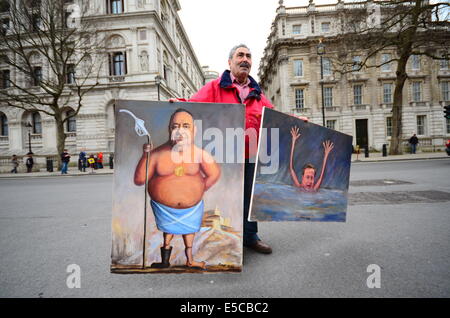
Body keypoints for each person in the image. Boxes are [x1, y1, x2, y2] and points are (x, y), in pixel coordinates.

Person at [173, 44, 296, 254]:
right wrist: (177, 104)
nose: (245, 59)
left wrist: (296, 122)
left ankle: (249, 237)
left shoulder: (257, 93)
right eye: (240, 55)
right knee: (224, 196)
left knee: (250, 197)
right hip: (224, 155)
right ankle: (224, 240)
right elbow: (194, 105)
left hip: (250, 155)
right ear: (230, 62)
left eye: (248, 56)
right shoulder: (214, 87)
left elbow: (274, 118)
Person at [134, 109, 221, 269]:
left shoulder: (200, 154)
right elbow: (139, 180)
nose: (180, 130)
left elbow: (214, 174)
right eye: (175, 126)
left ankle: (190, 260)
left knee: (189, 233)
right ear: (170, 130)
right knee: (168, 233)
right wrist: (145, 155)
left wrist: (199, 190)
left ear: (194, 130)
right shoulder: (156, 154)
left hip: (191, 209)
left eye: (185, 126)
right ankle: (165, 261)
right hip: (164, 209)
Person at [289, 126, 334, 191]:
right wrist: (293, 141)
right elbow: (291, 169)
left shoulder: (314, 189)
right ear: (302, 178)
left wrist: (326, 154)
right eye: (307, 177)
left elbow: (321, 177)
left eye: (312, 178)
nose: (309, 181)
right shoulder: (299, 187)